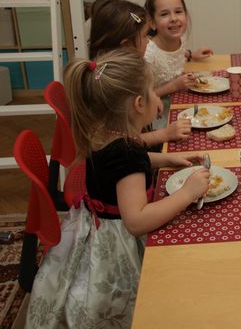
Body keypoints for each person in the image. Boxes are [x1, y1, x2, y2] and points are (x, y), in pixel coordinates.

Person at [26, 49, 210, 328]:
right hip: (118, 243)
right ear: (139, 103)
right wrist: (188, 193)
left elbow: (123, 169)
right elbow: (136, 221)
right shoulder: (126, 153)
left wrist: (166, 159)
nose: (157, 98)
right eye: (153, 92)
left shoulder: (104, 134)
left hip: (95, 228)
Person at [88, 0, 192, 145]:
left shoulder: (112, 72)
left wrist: (151, 99)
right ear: (126, 46)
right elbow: (118, 144)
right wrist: (165, 134)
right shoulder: (112, 85)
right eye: (144, 36)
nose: (148, 41)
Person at [144, 0, 213, 128]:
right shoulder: (148, 55)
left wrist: (191, 54)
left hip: (179, 101)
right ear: (152, 22)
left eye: (178, 12)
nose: (174, 19)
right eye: (164, 14)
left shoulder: (180, 38)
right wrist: (175, 85)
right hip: (156, 113)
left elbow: (173, 55)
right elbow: (143, 97)